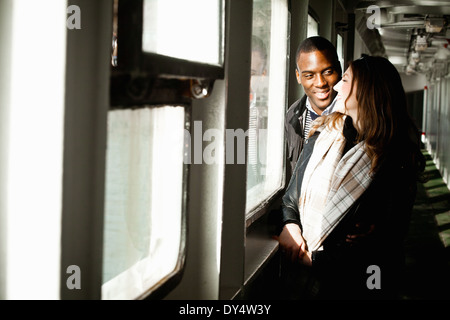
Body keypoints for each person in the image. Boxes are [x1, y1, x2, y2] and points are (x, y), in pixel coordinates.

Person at [279, 54, 426, 299]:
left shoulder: (395, 160)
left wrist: (315, 261)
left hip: (361, 284)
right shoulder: (324, 135)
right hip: (312, 276)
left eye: (345, 80)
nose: (336, 86)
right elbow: (291, 198)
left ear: (367, 90)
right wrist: (290, 225)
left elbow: (383, 245)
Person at [285, 36, 342, 179]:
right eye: (309, 75)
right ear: (298, 76)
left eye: (327, 72)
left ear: (339, 69)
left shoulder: (356, 115)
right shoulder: (291, 116)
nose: (320, 83)